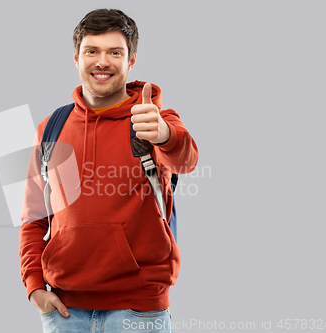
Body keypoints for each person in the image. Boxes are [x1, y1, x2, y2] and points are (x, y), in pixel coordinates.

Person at [19, 8, 198, 333]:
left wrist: (164, 135)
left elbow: (186, 160)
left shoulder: (154, 118)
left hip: (138, 312)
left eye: (115, 52)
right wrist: (34, 286)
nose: (103, 62)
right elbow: (33, 218)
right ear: (76, 57)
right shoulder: (51, 128)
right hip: (65, 312)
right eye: (92, 51)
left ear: (130, 61)